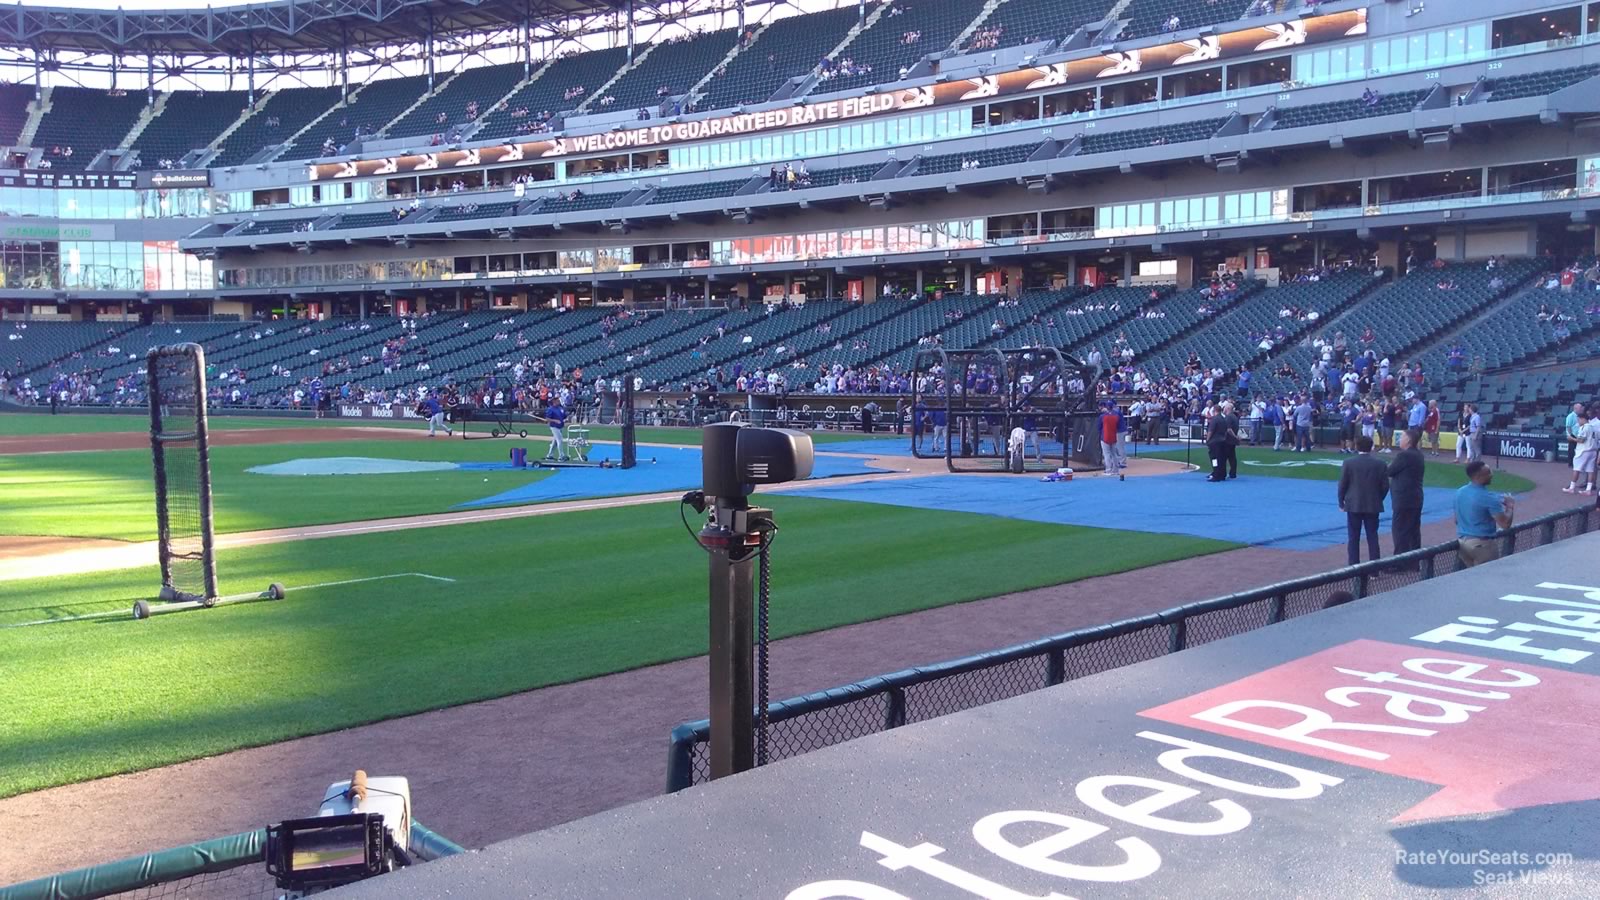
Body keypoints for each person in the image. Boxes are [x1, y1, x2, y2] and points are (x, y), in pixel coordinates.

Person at [1338, 436, 1389, 565]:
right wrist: (1378, 498)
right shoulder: (1380, 464)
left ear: (1356, 446)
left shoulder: (1349, 463)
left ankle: (1353, 567)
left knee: (1353, 537)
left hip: (1353, 504)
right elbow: (1385, 486)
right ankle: (1374, 568)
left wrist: (1341, 502)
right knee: (1372, 536)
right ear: (1371, 447)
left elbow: (1342, 484)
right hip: (1373, 504)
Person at [1455, 460, 1514, 568]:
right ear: (1478, 476)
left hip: (1463, 544)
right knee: (1488, 579)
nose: (1491, 475)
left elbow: (1456, 520)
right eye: (1488, 473)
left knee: (1472, 579)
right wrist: (1509, 507)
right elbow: (1505, 524)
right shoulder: (1488, 497)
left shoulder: (1460, 492)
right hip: (1482, 545)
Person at [1388, 431, 1425, 555]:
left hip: (1404, 499)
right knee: (1413, 530)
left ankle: (1400, 562)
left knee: (1400, 530)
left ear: (1408, 440)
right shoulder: (1418, 455)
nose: (1399, 439)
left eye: (1402, 437)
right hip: (1415, 497)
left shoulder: (1404, 456)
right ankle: (1413, 561)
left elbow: (1389, 471)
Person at [1564, 407, 1599, 494]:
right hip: (1593, 451)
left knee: (1576, 469)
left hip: (1583, 451)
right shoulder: (1594, 427)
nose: (1578, 422)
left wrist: (1571, 438)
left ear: (1583, 419)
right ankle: (1588, 490)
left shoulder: (1584, 427)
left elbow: (1581, 440)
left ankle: (1571, 488)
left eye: (1579, 420)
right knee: (1590, 470)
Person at [1205, 405, 1236, 482]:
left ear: (1215, 410)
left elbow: (1210, 431)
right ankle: (1222, 474)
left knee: (1214, 459)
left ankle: (1216, 474)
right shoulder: (1223, 419)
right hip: (1223, 441)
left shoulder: (1215, 419)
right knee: (1221, 459)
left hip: (1214, 442)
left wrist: (1207, 440)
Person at [1099, 401, 1125, 477]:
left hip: (1105, 437)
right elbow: (1118, 427)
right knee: (1114, 454)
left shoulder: (1102, 416)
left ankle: (1108, 470)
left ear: (1106, 407)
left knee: (1107, 454)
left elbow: (1099, 427)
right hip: (1113, 436)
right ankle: (1116, 470)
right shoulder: (1116, 416)